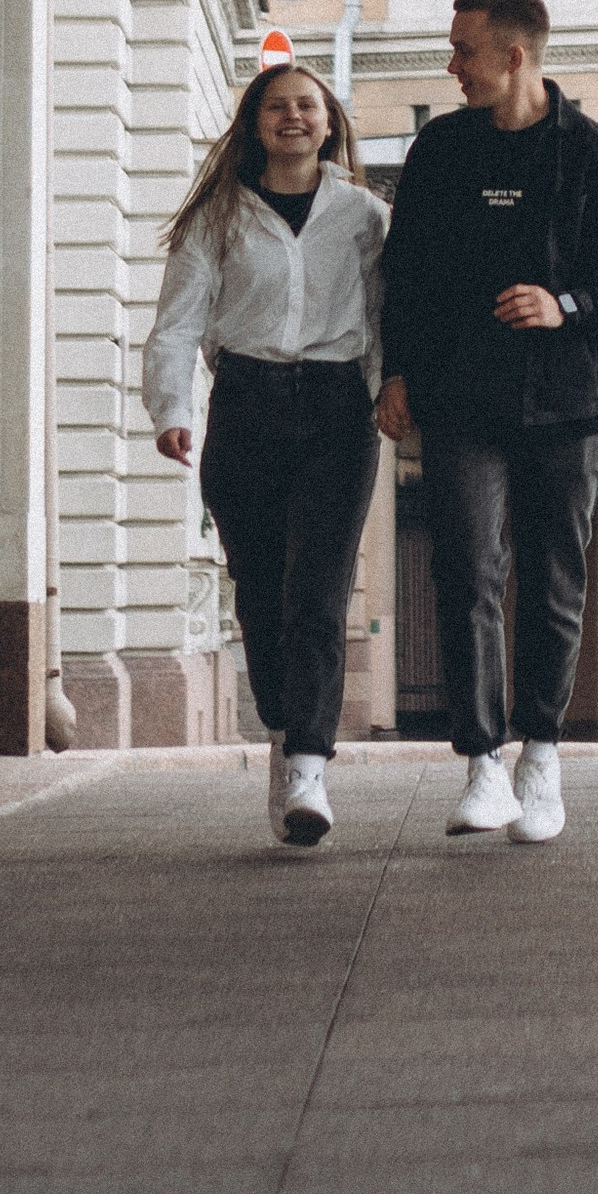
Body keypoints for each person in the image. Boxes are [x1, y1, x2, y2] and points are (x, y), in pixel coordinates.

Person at [376, 0, 598, 843]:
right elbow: (407, 277)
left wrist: (565, 306)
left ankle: (543, 758)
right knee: (467, 573)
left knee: (552, 582)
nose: (451, 64)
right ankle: (482, 766)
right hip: (461, 401)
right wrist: (397, 375)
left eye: (462, 50)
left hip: (568, 404)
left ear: (513, 56)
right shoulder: (441, 151)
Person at [145, 57, 386, 845]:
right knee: (260, 591)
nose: (293, 118)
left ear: (328, 122)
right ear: (253, 123)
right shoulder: (217, 217)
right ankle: (285, 736)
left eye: (307, 107)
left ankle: (310, 766)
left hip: (336, 404)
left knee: (318, 587)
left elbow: (386, 318)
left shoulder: (363, 215)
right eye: (277, 106)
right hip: (244, 404)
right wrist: (173, 408)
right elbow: (178, 321)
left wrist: (393, 393)